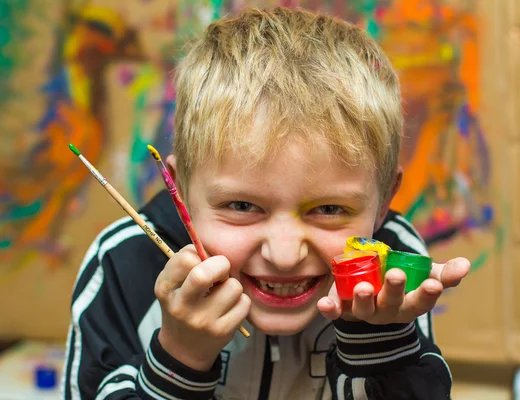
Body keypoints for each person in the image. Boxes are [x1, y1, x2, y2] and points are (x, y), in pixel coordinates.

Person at [61, 7, 470, 399]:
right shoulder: (122, 262)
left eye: (329, 210)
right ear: (180, 190)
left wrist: (382, 342)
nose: (285, 255)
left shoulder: (392, 269)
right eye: (242, 206)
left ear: (383, 203)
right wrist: (180, 358)